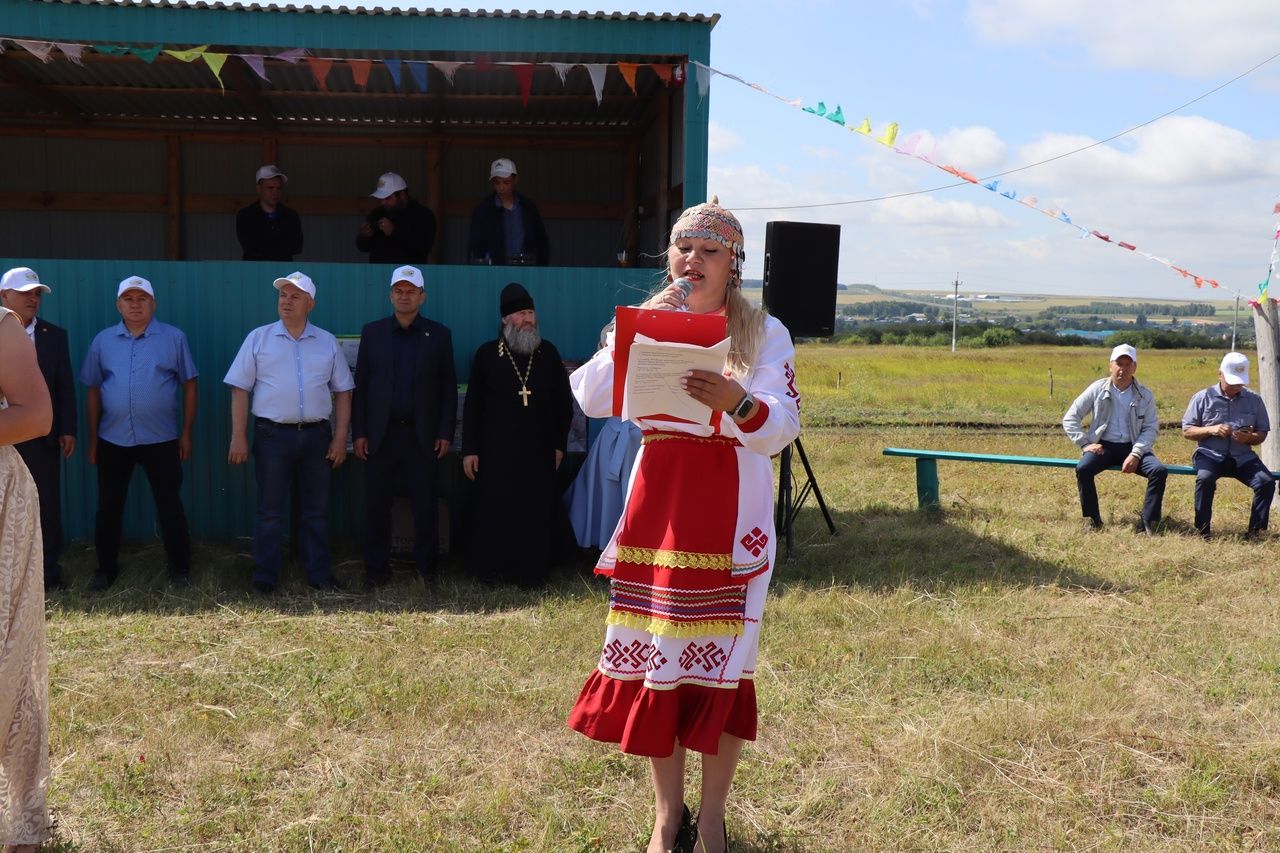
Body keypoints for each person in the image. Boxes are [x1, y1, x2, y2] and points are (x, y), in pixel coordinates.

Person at [565, 200, 801, 853]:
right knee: (660, 671)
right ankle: (667, 815)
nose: (691, 260)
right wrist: (643, 332)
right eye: (681, 248)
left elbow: (781, 428)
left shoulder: (763, 333)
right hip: (658, 517)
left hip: (731, 522)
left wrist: (739, 400)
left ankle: (715, 816)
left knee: (721, 674)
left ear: (734, 263)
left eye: (707, 251)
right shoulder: (647, 321)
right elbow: (587, 396)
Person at [224, 271, 354, 593]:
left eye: (295, 296)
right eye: (283, 294)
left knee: (316, 509)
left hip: (316, 437)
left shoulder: (326, 342)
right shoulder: (259, 338)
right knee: (269, 510)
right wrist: (238, 436)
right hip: (272, 436)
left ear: (310, 303)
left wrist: (340, 439)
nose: (286, 300)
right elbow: (239, 389)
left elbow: (344, 392)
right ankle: (265, 576)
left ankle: (318, 573)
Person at [80, 276, 198, 591]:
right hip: (112, 440)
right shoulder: (102, 341)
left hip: (161, 439)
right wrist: (93, 439)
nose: (135, 304)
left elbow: (190, 385)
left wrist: (185, 433)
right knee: (109, 506)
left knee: (170, 505)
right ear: (119, 304)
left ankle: (180, 569)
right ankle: (105, 569)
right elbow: (92, 390)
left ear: (153, 304)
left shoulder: (173, 338)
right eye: (128, 299)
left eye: (141, 298)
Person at [460, 282, 573, 586]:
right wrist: (470, 449)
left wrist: (559, 445)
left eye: (531, 313)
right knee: (495, 510)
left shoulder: (548, 353)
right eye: (521, 314)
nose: (527, 319)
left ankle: (533, 572)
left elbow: (564, 406)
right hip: (495, 452)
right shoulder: (486, 355)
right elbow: (472, 408)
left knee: (535, 511)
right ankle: (491, 571)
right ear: (506, 320)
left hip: (539, 449)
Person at [352, 265, 457, 590]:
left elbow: (447, 389)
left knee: (425, 504)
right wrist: (360, 432)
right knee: (377, 504)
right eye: (398, 290)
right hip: (381, 436)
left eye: (410, 290)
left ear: (422, 296)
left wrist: (444, 432)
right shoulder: (373, 332)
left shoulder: (439, 335)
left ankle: (427, 569)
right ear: (390, 295)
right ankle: (376, 570)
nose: (404, 295)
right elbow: (362, 387)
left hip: (421, 435)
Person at [0, 302, 54, 853]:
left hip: (0, 507)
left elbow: (37, 415)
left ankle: (23, 813)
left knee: (6, 656)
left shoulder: (1, 325)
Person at [1, 267, 76, 590]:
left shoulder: (54, 335)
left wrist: (68, 428)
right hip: (5, 438)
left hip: (40, 437)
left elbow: (64, 385)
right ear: (5, 296)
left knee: (44, 503)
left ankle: (48, 574)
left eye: (36, 293)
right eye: (25, 292)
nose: (33, 298)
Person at [1061, 343, 1167, 533]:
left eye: (1128, 364)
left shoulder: (1145, 395)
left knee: (1158, 471)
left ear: (1135, 367)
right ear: (1110, 365)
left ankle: (1147, 522)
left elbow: (1151, 428)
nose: (1122, 369)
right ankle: (1093, 521)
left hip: (1134, 446)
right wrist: (1085, 443)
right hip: (1104, 447)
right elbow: (1070, 418)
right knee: (1083, 468)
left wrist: (1135, 454)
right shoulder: (1097, 389)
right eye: (1119, 364)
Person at [1182, 351, 1275, 538]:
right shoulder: (1202, 397)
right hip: (1210, 454)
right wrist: (1211, 430)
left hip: (1243, 456)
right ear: (1220, 374)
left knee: (1266, 482)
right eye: (1231, 382)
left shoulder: (1254, 400)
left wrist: (1249, 438)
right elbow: (1187, 430)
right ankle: (1202, 530)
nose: (1235, 387)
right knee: (1205, 479)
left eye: (1239, 383)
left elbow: (1262, 433)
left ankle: (1255, 531)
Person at [467, 157, 550, 266]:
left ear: (515, 180)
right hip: (493, 273)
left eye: (506, 182)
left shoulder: (528, 208)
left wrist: (539, 270)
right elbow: (475, 247)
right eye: (497, 183)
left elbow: (541, 243)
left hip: (527, 273)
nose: (501, 187)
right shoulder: (483, 211)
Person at [356, 171, 437, 264]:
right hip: (378, 275)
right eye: (381, 198)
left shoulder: (423, 215)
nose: (383, 202)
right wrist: (364, 236)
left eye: (388, 198)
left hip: (409, 275)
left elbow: (424, 246)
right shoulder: (377, 213)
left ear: (402, 195)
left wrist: (393, 232)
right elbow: (362, 247)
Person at [236, 164, 304, 262]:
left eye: (279, 188)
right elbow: (250, 246)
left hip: (283, 271)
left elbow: (297, 247)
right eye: (270, 188)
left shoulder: (291, 216)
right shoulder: (245, 216)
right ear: (259, 189)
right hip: (255, 271)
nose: (275, 192)